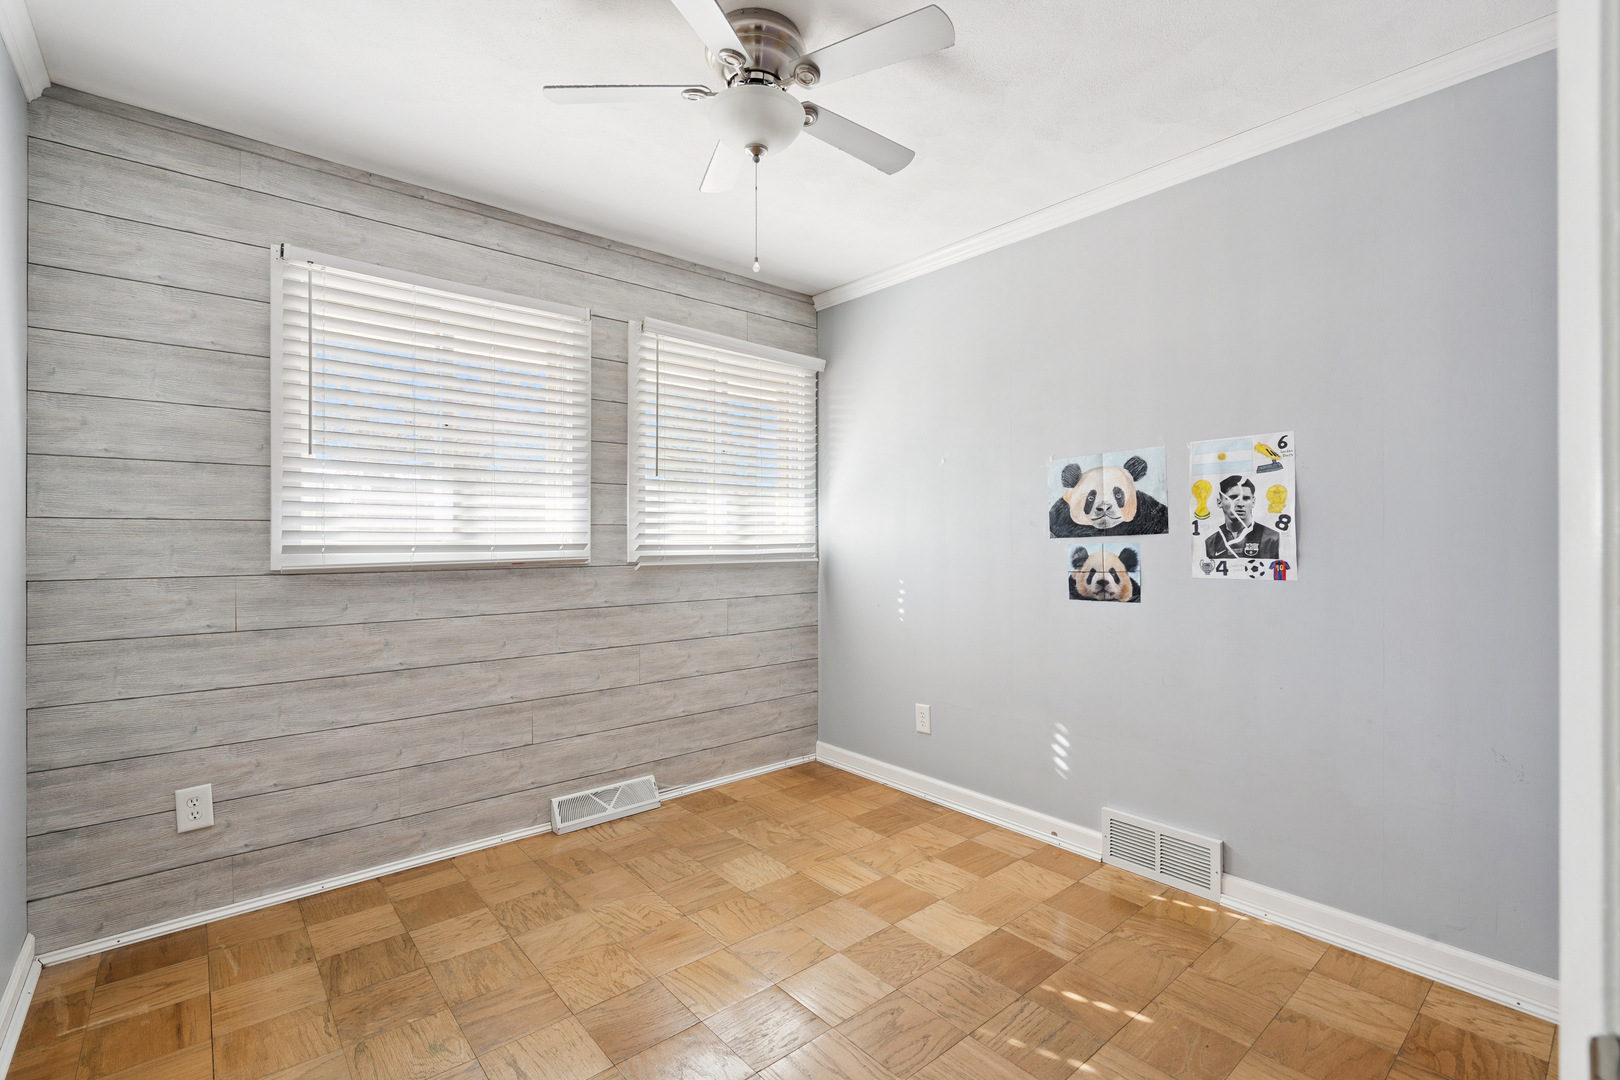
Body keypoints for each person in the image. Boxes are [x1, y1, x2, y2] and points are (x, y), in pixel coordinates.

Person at [1205, 475, 1279, 560]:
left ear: (1253, 502)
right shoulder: (1211, 542)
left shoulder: (1272, 538)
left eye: (1246, 498)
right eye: (1233, 498)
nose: (1240, 504)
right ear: (1219, 502)